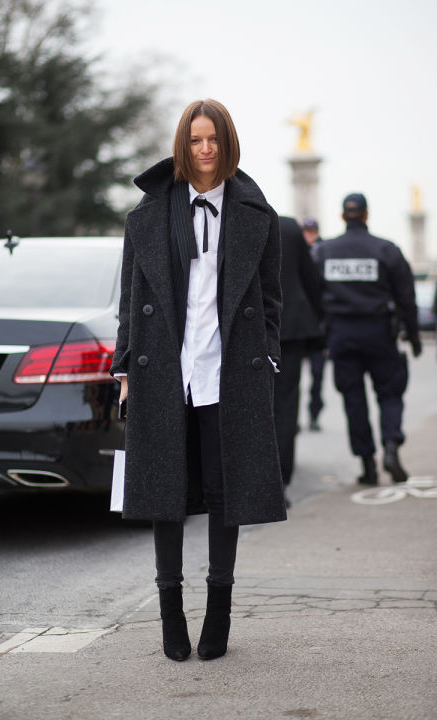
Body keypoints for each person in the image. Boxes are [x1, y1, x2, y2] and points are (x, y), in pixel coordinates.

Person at [109, 99, 286, 662]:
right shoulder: (150, 213)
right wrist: (123, 366)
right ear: (182, 146)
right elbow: (129, 300)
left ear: (227, 143)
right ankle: (169, 613)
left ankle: (218, 614)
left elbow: (273, 300)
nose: (204, 149)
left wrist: (270, 356)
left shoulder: (256, 214)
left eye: (213, 139)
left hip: (229, 370)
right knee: (165, 494)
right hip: (164, 369)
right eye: (195, 140)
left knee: (223, 493)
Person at [315, 193, 422, 485]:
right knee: (389, 394)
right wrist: (413, 337)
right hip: (380, 334)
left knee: (354, 401)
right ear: (366, 215)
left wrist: (321, 337)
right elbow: (406, 298)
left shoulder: (324, 252)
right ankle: (390, 447)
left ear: (342, 216)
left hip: (341, 335)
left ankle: (368, 465)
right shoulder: (386, 250)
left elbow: (313, 297)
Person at [273, 217, 321, 506]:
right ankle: (280, 483)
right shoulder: (289, 228)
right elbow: (310, 280)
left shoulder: (234, 220)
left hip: (247, 331)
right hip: (290, 329)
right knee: (285, 408)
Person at [302, 218, 327, 430]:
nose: (308, 236)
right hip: (301, 326)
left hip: (317, 330)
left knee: (317, 376)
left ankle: (314, 413)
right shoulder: (296, 254)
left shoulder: (323, 254)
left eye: (311, 232)